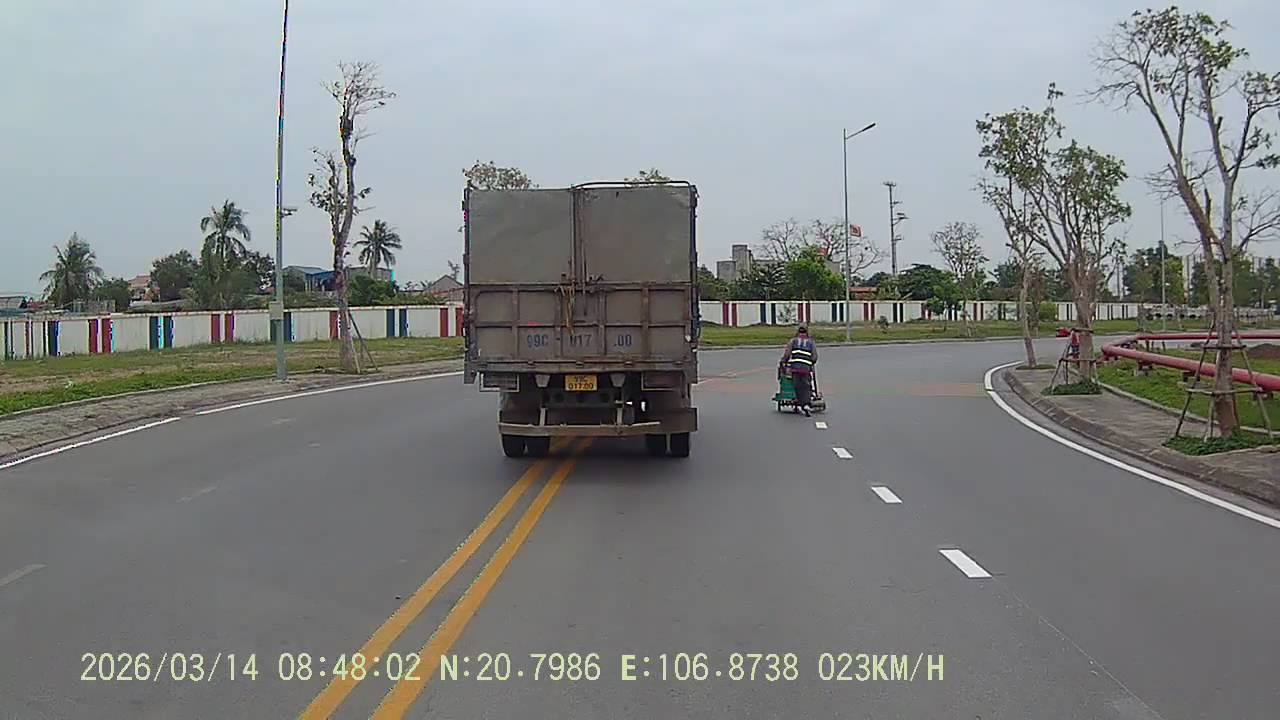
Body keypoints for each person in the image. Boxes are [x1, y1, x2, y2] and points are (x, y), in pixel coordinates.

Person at [782, 324, 817, 416]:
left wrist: (783, 361)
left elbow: (787, 354)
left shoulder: (793, 341)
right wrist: (810, 362)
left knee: (797, 386)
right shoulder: (811, 342)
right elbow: (814, 357)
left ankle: (801, 403)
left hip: (795, 368)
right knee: (806, 386)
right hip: (806, 368)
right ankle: (806, 403)